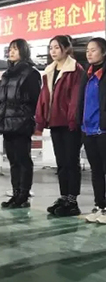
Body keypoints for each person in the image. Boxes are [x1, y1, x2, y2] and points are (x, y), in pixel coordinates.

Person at [36, 35, 84, 217]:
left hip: (70, 124)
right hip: (55, 122)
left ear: (66, 49)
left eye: (56, 47)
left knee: (71, 162)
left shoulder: (75, 70)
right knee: (61, 163)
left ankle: (73, 200)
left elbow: (76, 98)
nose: (53, 51)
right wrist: (41, 119)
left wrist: (73, 120)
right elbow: (44, 98)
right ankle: (64, 197)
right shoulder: (49, 70)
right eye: (51, 48)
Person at [0, 39, 41, 209]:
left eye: (15, 49)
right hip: (7, 121)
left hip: (22, 122)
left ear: (24, 51)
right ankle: (15, 193)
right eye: (10, 49)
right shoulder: (7, 74)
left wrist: (25, 114)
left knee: (23, 159)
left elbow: (35, 99)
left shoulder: (31, 73)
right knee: (13, 160)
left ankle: (23, 195)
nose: (11, 52)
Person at [78, 38, 106, 223]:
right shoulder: (87, 74)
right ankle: (100, 206)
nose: (89, 53)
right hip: (88, 129)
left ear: (104, 52)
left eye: (93, 50)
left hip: (103, 129)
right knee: (96, 170)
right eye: (87, 50)